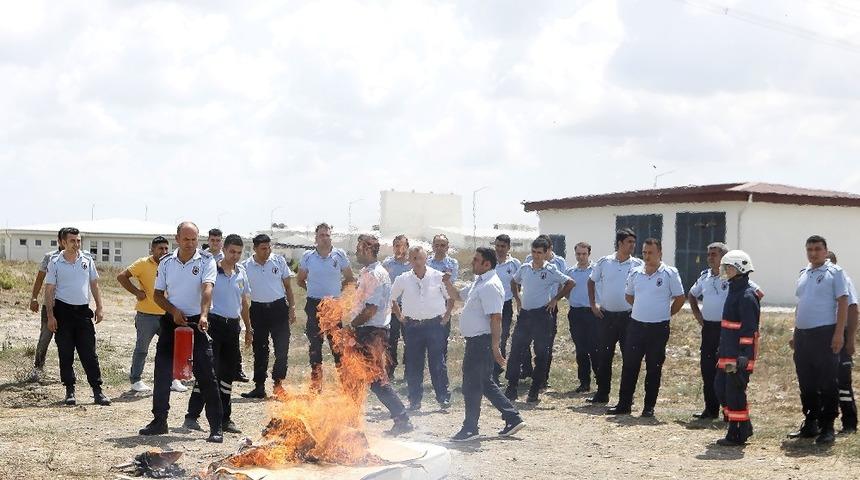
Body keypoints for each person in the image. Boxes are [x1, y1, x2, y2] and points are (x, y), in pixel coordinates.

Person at [138, 222, 223, 443]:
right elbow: (158, 295)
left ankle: (216, 426)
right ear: (177, 239)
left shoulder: (206, 260)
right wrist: (174, 311)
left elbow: (207, 289)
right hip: (171, 322)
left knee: (206, 373)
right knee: (162, 371)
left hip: (197, 322)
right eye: (186, 239)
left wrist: (204, 315)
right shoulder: (167, 262)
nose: (190, 243)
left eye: (194, 239)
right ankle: (159, 421)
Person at [443, 247, 526, 442]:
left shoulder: (490, 285)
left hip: (482, 342)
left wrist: (495, 347)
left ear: (487, 264)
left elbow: (496, 318)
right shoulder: (479, 282)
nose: (472, 262)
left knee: (472, 385)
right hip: (476, 342)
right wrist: (446, 282)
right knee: (484, 382)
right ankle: (512, 418)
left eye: (476, 260)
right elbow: (457, 295)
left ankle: (470, 428)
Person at [607, 238, 685, 417]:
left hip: (658, 328)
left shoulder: (669, 273)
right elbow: (629, 296)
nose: (647, 256)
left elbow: (680, 298)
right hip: (636, 326)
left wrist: (665, 313)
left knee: (653, 367)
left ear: (660, 253)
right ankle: (624, 404)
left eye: (651, 252)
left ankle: (649, 407)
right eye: (644, 252)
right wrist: (642, 308)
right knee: (630, 365)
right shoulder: (635, 272)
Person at [688, 242, 763, 419]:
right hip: (710, 329)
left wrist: (746, 316)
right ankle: (710, 409)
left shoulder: (735, 279)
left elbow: (758, 293)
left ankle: (729, 413)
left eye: (714, 254)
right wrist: (699, 317)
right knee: (708, 369)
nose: (710, 258)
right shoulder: (705, 276)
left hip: (730, 333)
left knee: (729, 375)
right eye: (708, 254)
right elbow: (692, 294)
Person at [185, 234, 250, 435]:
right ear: (224, 250)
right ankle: (192, 416)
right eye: (232, 251)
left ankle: (225, 419)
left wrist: (248, 327)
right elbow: (202, 295)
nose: (235, 256)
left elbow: (244, 302)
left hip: (233, 327)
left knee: (228, 374)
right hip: (214, 325)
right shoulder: (212, 269)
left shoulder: (241, 272)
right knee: (208, 372)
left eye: (239, 253)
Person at [348, 233, 413, 435]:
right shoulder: (368, 271)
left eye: (359, 248)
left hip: (371, 333)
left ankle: (402, 418)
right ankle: (351, 421)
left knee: (377, 380)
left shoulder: (375, 274)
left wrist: (352, 324)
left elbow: (371, 309)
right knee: (355, 377)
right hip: (368, 331)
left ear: (368, 250)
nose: (356, 252)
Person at [788, 235, 849, 445]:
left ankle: (827, 426)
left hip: (824, 334)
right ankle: (810, 422)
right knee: (806, 381)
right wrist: (795, 332)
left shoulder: (835, 272)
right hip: (803, 336)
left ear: (825, 250)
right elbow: (801, 304)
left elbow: (843, 302)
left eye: (817, 249)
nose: (813, 253)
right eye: (809, 249)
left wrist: (839, 334)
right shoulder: (804, 273)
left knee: (827, 381)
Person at [44, 227, 111, 406]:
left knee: (89, 353)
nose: (76, 244)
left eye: (78, 240)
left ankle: (97, 391)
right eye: (72, 241)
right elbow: (49, 290)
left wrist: (100, 307)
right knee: (65, 353)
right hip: (63, 312)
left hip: (82, 313)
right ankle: (70, 390)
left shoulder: (87, 259)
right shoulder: (55, 262)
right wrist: (50, 316)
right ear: (63, 242)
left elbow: (94, 284)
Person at [505, 237, 573, 403]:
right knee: (516, 351)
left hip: (541, 316)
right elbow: (514, 281)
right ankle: (511, 388)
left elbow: (570, 283)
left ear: (546, 253)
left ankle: (535, 390)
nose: (536, 256)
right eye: (534, 252)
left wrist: (555, 299)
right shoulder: (525, 268)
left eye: (539, 253)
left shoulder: (550, 270)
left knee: (541, 353)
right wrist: (518, 299)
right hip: (525, 316)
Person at [117, 236, 187, 393]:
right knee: (142, 349)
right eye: (160, 248)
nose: (164, 251)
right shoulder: (143, 263)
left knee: (172, 348)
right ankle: (136, 380)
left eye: (166, 248)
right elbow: (121, 276)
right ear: (152, 249)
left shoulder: (172, 263)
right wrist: (137, 292)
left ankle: (173, 379)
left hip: (167, 315)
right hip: (146, 315)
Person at [391, 245, 452, 410]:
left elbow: (450, 297)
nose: (417, 262)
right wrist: (399, 316)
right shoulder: (403, 279)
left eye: (420, 258)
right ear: (409, 260)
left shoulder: (438, 276)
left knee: (437, 362)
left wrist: (446, 316)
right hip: (413, 326)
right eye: (414, 258)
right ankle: (414, 400)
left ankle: (443, 397)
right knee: (413, 363)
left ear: (426, 259)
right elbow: (392, 298)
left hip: (434, 325)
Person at [586, 228, 643, 404]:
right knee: (604, 356)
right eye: (629, 242)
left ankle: (627, 397)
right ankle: (602, 393)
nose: (633, 245)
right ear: (620, 243)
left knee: (630, 358)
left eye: (634, 242)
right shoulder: (605, 262)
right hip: (606, 317)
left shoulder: (638, 264)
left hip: (629, 318)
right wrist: (593, 304)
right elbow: (591, 281)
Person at [297, 223, 355, 391]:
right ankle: (316, 383)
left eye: (327, 235)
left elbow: (349, 278)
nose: (324, 238)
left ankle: (345, 382)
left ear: (331, 237)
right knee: (315, 345)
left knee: (337, 345)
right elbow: (300, 280)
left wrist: (337, 292)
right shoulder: (308, 256)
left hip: (333, 305)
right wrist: (312, 291)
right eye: (321, 235)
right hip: (314, 304)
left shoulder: (339, 255)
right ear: (316, 238)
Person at [240, 234, 297, 399]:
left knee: (282, 349)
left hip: (279, 309)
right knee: (260, 349)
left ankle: (278, 385)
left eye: (269, 247)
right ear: (255, 248)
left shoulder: (278, 261)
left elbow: (288, 287)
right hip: (258, 311)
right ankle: (259, 386)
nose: (267, 251)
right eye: (263, 248)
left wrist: (292, 308)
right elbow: (241, 293)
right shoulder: (245, 266)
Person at [714, 250, 761, 446]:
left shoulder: (747, 296)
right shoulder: (734, 290)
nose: (725, 271)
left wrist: (743, 355)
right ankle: (744, 425)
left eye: (728, 267)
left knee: (734, 392)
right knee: (720, 388)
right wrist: (722, 349)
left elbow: (749, 329)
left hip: (738, 356)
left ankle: (737, 432)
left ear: (739, 268)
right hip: (727, 353)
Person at [523, 234, 567, 385]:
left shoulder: (559, 262)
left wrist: (555, 299)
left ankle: (542, 377)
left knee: (545, 344)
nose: (538, 255)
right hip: (530, 307)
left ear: (549, 249)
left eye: (543, 251)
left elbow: (563, 282)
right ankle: (527, 370)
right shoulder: (529, 260)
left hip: (549, 307)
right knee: (524, 341)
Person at [26, 227, 66, 382]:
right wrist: (33, 298)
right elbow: (40, 278)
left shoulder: (78, 258)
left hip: (68, 307)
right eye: (65, 240)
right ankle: (38, 368)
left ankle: (66, 372)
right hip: (50, 305)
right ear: (59, 241)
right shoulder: (50, 257)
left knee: (66, 340)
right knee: (45, 337)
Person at [825, 251, 859, 434]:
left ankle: (849, 423)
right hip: (821, 334)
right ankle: (822, 421)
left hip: (840, 334)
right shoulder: (814, 279)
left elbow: (853, 309)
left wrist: (850, 339)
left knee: (842, 380)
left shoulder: (843, 279)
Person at [565, 242, 600, 393]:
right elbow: (566, 290)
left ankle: (600, 381)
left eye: (584, 254)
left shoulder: (596, 270)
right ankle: (584, 382)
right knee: (581, 349)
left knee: (595, 348)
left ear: (589, 254)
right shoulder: (570, 271)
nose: (581, 257)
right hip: (576, 313)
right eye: (578, 254)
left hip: (592, 313)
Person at [493, 234, 522, 384]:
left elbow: (518, 283)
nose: (499, 249)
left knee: (502, 337)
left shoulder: (514, 263)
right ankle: (487, 372)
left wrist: (518, 301)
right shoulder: (489, 261)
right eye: (497, 246)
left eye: (503, 246)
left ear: (508, 247)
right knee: (488, 337)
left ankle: (497, 371)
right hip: (489, 305)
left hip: (505, 305)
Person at [382, 234, 412, 379]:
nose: (399, 249)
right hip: (392, 307)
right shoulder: (387, 264)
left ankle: (409, 372)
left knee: (410, 340)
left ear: (407, 247)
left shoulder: (412, 264)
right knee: (391, 340)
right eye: (396, 246)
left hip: (409, 308)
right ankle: (390, 371)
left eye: (402, 245)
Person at [427, 234, 459, 360]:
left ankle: (441, 365)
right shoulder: (427, 262)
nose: (439, 248)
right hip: (428, 303)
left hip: (444, 303)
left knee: (442, 337)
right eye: (437, 245)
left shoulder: (452, 263)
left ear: (447, 247)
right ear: (433, 246)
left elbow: (450, 285)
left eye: (442, 245)